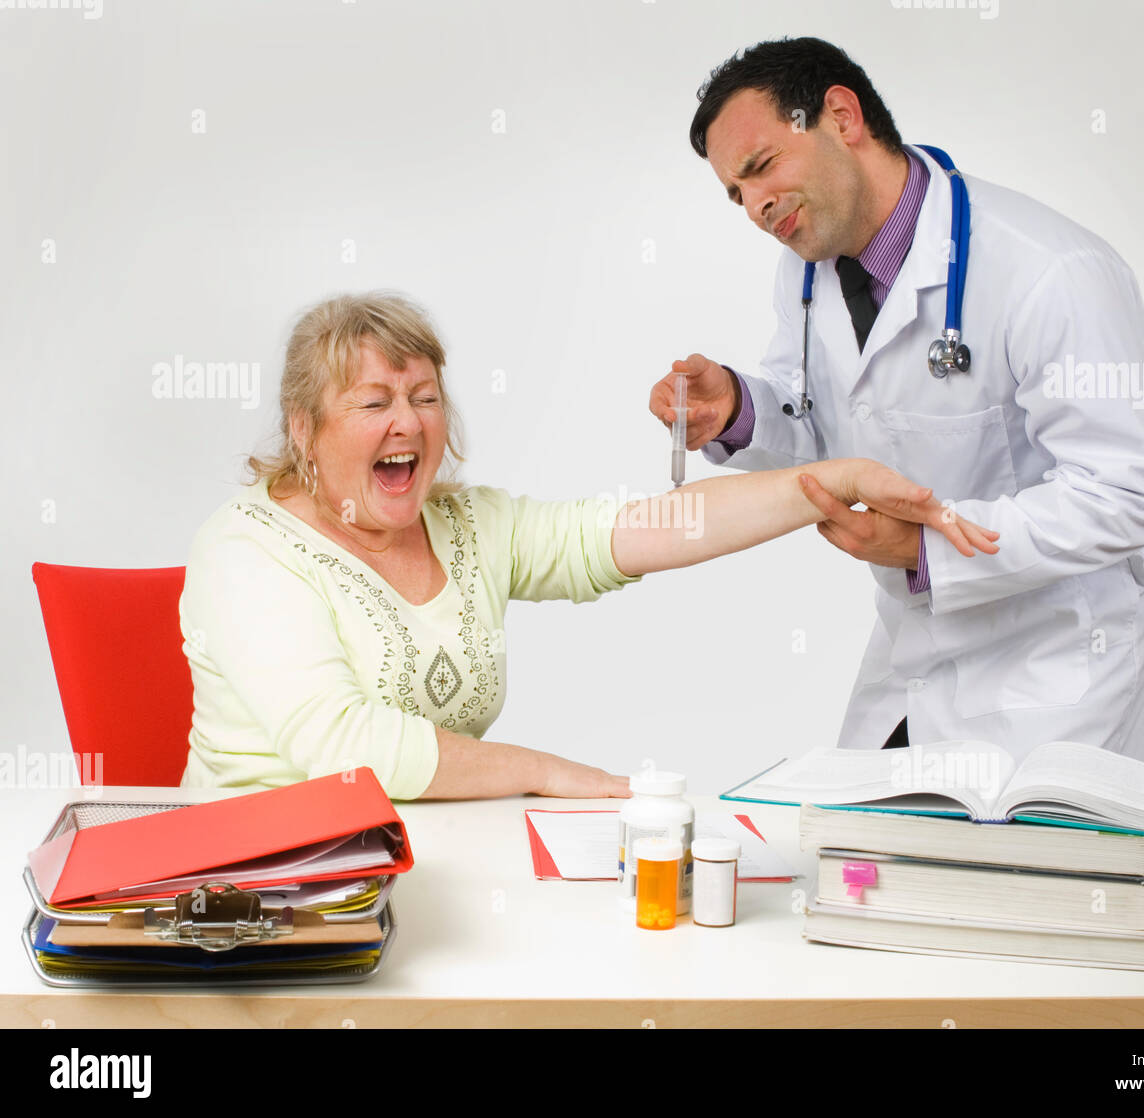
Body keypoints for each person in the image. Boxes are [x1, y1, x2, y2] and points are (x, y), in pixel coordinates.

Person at [180, 292, 997, 801]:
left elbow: (654, 528)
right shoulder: (244, 552)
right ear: (303, 431)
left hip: (431, 863)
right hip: (265, 889)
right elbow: (343, 749)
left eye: (425, 396)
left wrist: (835, 474)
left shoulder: (470, 526)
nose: (409, 421)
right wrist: (546, 772)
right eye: (374, 402)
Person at [649, 37, 1144, 762]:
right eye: (736, 193)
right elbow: (827, 426)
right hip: (914, 652)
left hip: (1056, 667)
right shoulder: (807, 274)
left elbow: (1123, 495)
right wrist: (737, 408)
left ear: (841, 116)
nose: (755, 207)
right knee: (855, 861)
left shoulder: (1051, 272)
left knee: (994, 878)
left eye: (761, 167)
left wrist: (929, 546)